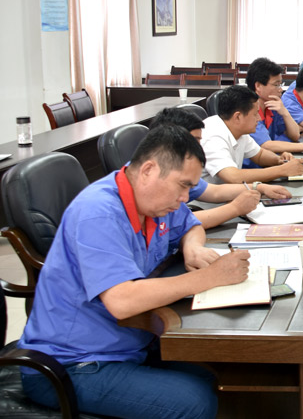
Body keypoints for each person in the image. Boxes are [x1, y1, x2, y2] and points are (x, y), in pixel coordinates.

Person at [18, 125, 252, 418]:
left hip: (129, 341)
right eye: (182, 186)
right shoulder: (99, 212)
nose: (185, 197)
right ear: (149, 170)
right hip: (72, 363)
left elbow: (190, 224)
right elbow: (122, 300)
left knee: (219, 372)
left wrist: (192, 247)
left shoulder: (153, 202)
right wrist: (210, 276)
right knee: (195, 402)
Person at [151, 107, 292, 229]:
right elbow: (183, 222)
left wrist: (259, 187)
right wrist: (235, 208)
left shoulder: (178, 167)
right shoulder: (156, 178)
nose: (199, 147)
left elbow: (214, 192)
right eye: (195, 141)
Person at [200, 84, 303, 184]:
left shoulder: (238, 130)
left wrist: (279, 160)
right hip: (210, 197)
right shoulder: (213, 135)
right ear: (238, 117)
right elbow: (233, 177)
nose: (259, 119)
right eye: (255, 114)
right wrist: (282, 170)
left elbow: (259, 155)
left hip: (230, 193)